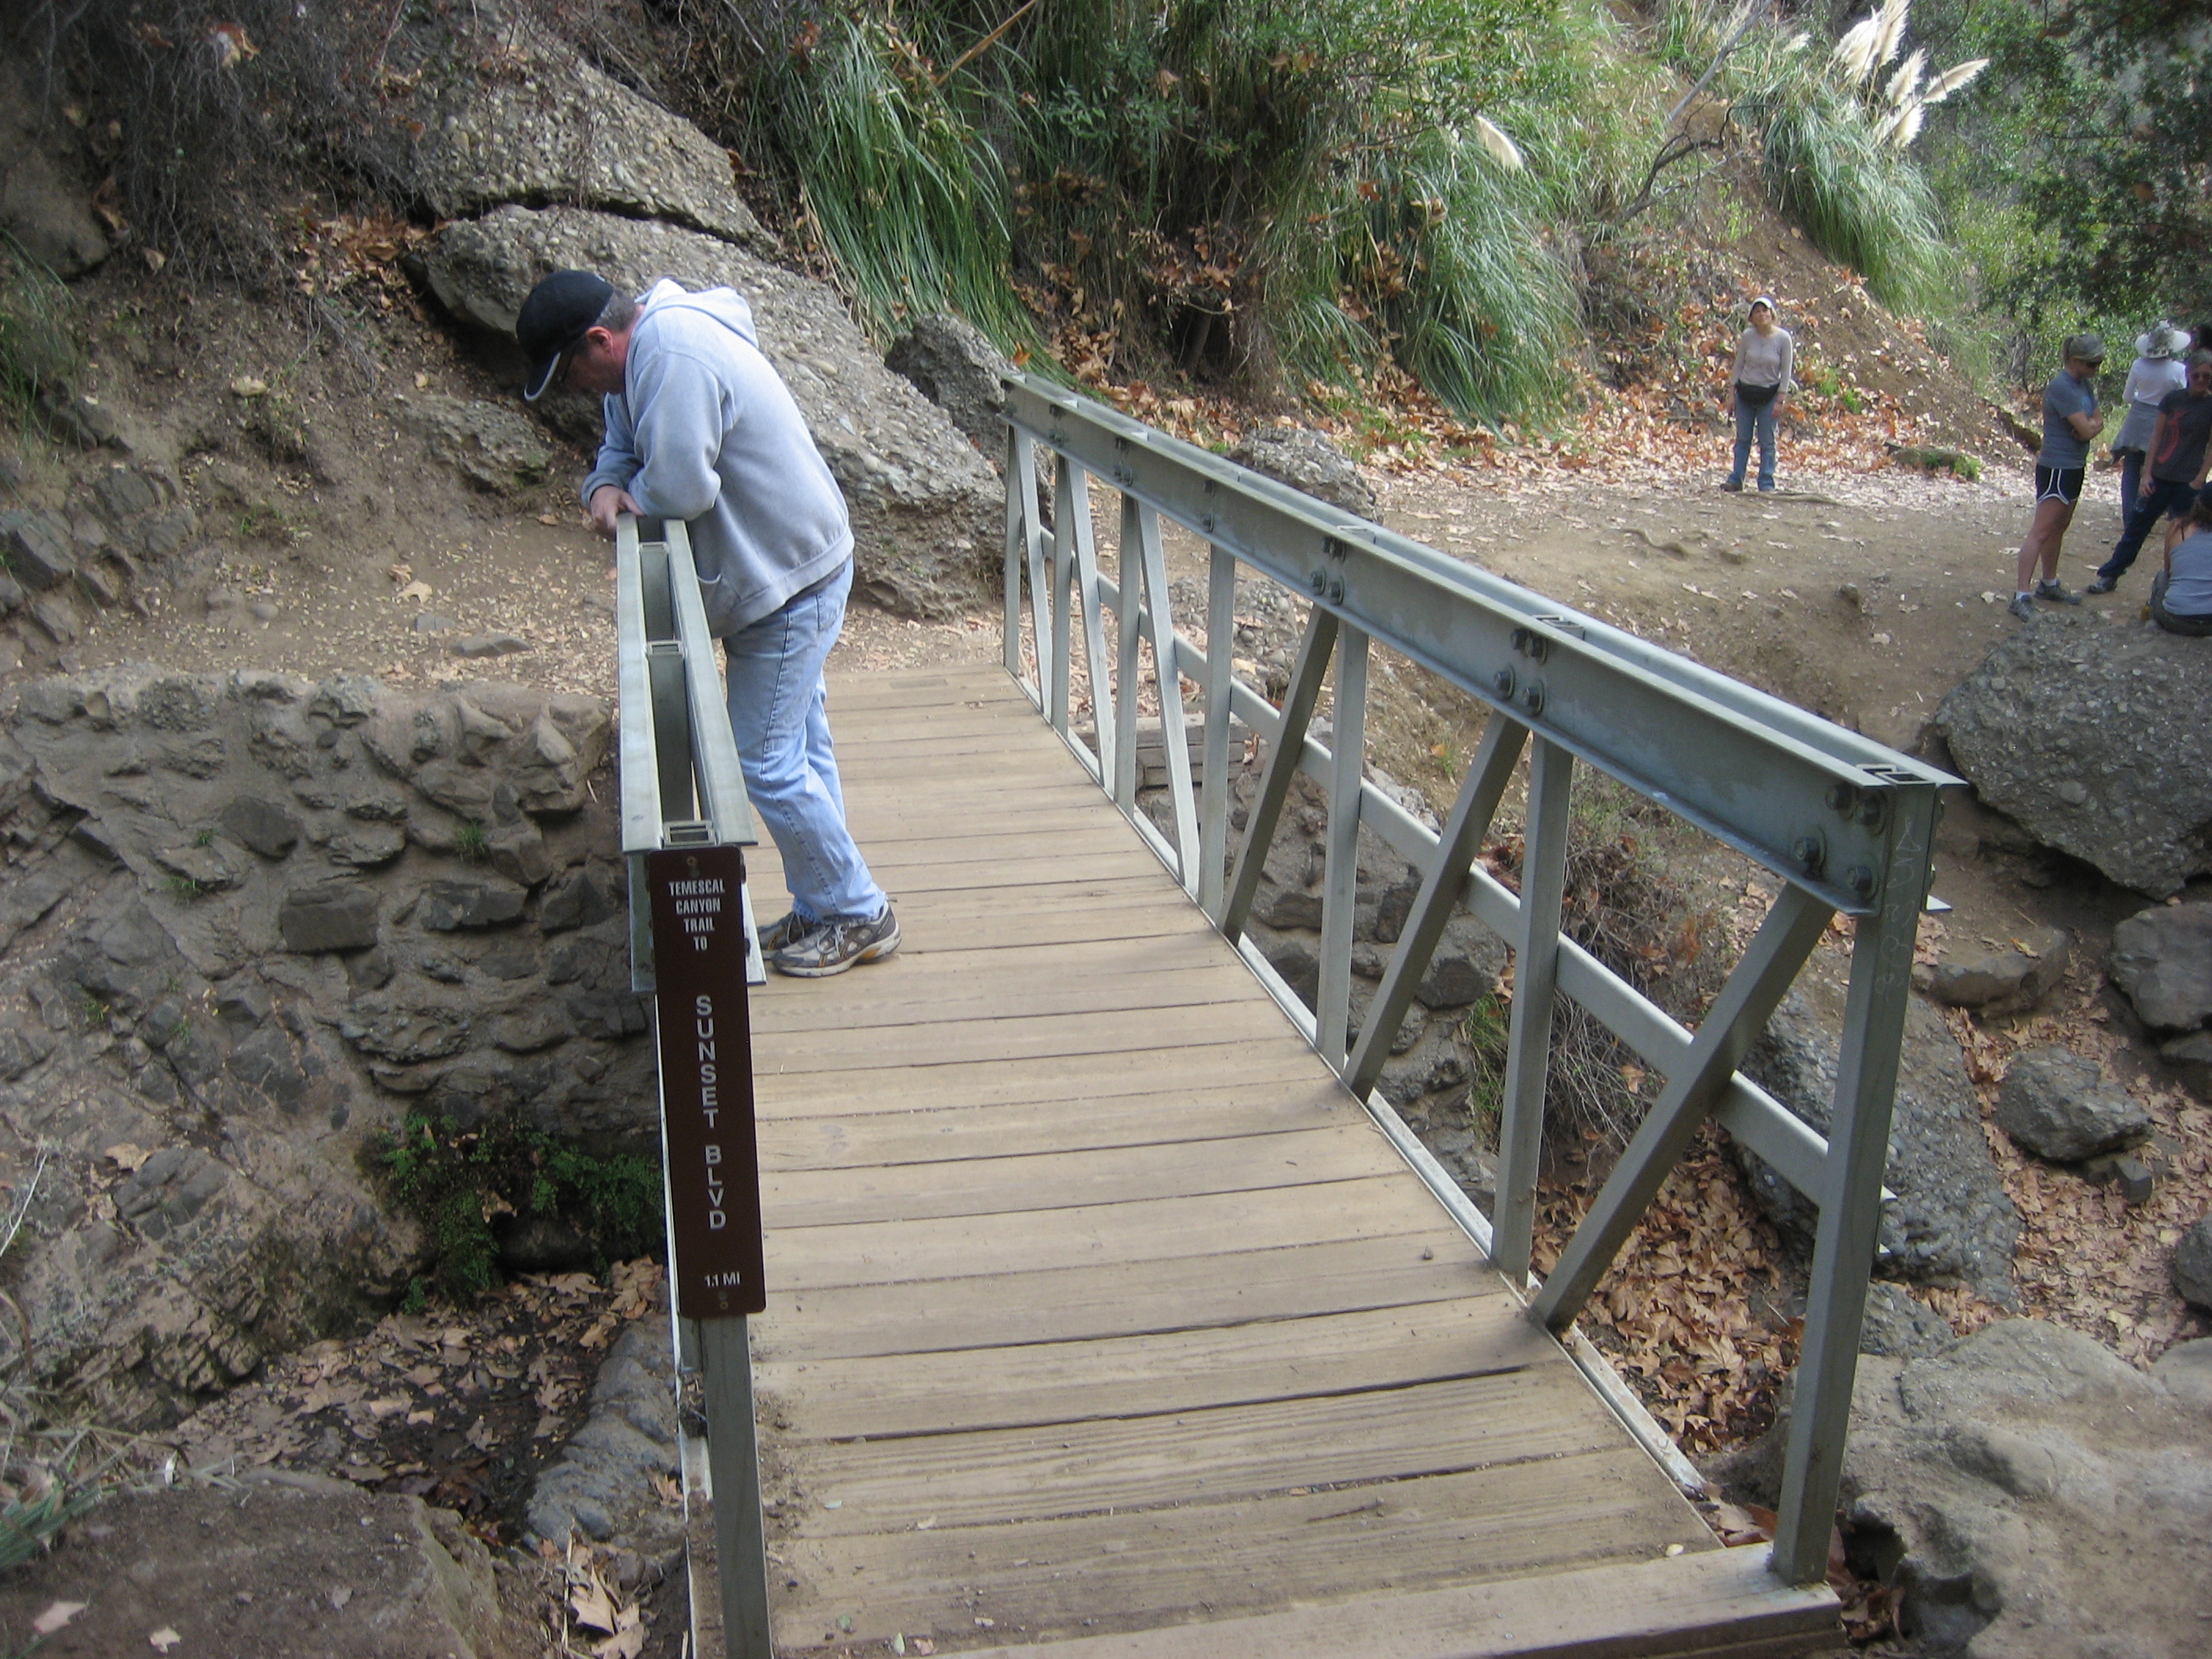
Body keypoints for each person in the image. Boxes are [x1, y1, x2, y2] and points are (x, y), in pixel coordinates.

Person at [516, 269, 899, 977]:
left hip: (790, 581)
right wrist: (604, 486)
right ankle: (826, 901)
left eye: (571, 371)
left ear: (600, 340)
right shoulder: (638, 364)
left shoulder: (672, 354)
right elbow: (623, 450)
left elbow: (680, 488)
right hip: (781, 572)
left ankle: (858, 911)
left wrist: (627, 500)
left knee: (763, 759)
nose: (576, 387)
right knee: (798, 748)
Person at [2089, 350, 2212, 595]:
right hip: (2160, 476)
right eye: (2196, 375)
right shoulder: (2173, 400)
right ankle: (2110, 575)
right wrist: (2147, 473)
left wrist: (2200, 478)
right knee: (2136, 529)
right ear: (2188, 374)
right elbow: (2156, 437)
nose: (2201, 380)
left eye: (2206, 376)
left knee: (2185, 535)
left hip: (2188, 481)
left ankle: (2178, 584)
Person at [2009, 334, 2105, 621]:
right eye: (2092, 363)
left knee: (2059, 527)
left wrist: (2090, 428)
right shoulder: (2062, 387)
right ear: (2075, 361)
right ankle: (2021, 595)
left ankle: (2048, 582)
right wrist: (2089, 428)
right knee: (2041, 530)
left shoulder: (2084, 385)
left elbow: (2098, 422)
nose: (2097, 368)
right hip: (2058, 467)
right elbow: (2088, 429)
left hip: (2075, 465)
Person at [2107, 325, 2188, 524]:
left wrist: (2142, 399)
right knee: (2157, 470)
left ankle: (2129, 517)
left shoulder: (2138, 365)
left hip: (2137, 420)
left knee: (2132, 468)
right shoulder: (2179, 370)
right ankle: (2147, 514)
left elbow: (2127, 397)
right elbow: (2184, 399)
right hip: (2163, 423)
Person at [1722, 295, 1793, 494]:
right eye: (1757, 312)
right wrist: (1732, 393)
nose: (1762, 315)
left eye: (1765, 311)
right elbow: (1739, 364)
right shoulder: (1748, 337)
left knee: (1767, 441)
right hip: (1746, 392)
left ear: (1772, 314)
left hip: (1769, 394)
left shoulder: (1783, 339)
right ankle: (1736, 479)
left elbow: (1786, 371)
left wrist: (1781, 398)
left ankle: (1766, 483)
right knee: (1742, 439)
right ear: (1752, 317)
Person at [2149, 483, 2212, 637]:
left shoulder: (2178, 527)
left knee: (2162, 576)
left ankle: (2153, 618)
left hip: (2175, 619)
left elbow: (2168, 570)